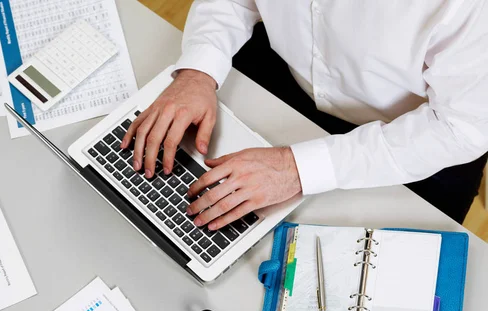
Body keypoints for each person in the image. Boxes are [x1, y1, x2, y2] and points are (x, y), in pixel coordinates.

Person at [122, 0, 488, 229]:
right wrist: (198, 72)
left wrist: (294, 168)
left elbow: (463, 127)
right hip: (289, 75)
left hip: (420, 139)